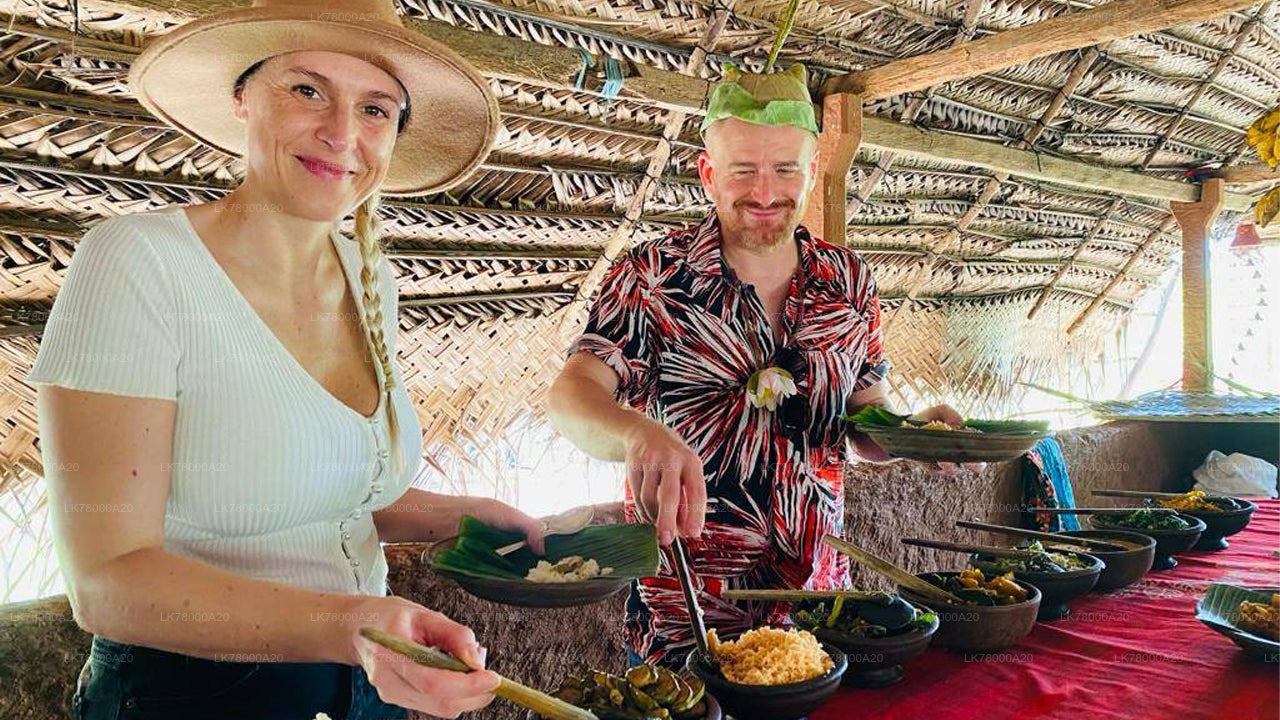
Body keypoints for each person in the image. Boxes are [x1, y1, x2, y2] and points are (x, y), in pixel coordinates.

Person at [29, 1, 544, 717]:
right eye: (307, 90)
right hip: (193, 692)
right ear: (243, 97)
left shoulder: (369, 276)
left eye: (375, 109)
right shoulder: (140, 263)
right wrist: (348, 626)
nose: (341, 133)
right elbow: (107, 584)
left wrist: (472, 516)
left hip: (365, 680)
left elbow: (330, 493)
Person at [546, 62, 966, 666]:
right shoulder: (651, 277)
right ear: (708, 174)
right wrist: (638, 435)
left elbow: (863, 418)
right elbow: (572, 394)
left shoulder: (850, 280)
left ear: (812, 171)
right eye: (743, 170)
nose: (765, 193)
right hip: (686, 617)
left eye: (785, 169)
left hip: (820, 612)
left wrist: (915, 434)